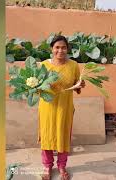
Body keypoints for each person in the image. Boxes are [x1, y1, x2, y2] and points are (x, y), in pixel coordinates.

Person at [38, 35, 85, 180]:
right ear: (52, 49)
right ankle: (47, 167)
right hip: (47, 107)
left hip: (65, 107)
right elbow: (36, 87)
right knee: (47, 135)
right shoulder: (43, 66)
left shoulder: (73, 65)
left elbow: (77, 85)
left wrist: (80, 85)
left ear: (67, 49)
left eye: (63, 47)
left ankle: (62, 166)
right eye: (57, 47)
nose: (60, 50)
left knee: (63, 136)